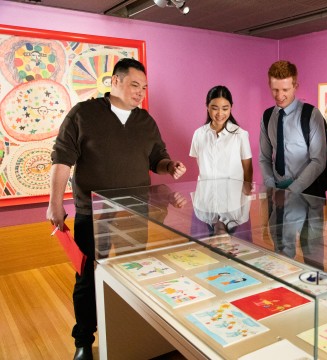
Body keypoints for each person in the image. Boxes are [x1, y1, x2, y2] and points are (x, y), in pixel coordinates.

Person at [46, 58, 186, 360]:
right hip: (91, 214)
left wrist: (169, 166)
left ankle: (129, 330)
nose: (140, 93)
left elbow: (157, 159)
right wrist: (54, 204)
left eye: (144, 88)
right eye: (135, 85)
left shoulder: (145, 120)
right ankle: (83, 340)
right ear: (115, 81)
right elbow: (61, 160)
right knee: (87, 278)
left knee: (132, 272)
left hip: (134, 213)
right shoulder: (83, 114)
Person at [259, 60, 327, 197]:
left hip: (306, 195)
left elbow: (318, 161)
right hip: (275, 196)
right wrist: (271, 187)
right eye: (275, 90)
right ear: (269, 85)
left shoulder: (311, 115)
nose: (279, 96)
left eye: (285, 90)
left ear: (296, 86)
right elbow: (264, 158)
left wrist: (291, 191)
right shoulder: (267, 116)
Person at [190, 85, 253, 183]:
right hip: (205, 194)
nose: (220, 113)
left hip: (232, 194)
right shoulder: (199, 134)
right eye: (215, 108)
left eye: (225, 109)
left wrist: (247, 193)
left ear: (231, 107)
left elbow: (248, 169)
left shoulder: (240, 134)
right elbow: (202, 166)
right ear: (207, 107)